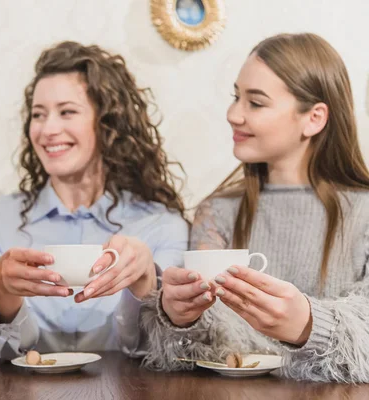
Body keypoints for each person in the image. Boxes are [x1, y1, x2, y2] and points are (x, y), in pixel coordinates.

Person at [143, 33, 369, 383]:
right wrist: (178, 318)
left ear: (314, 118)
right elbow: (200, 352)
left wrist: (308, 325)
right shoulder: (217, 213)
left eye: (256, 103)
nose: (233, 114)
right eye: (236, 97)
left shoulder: (364, 212)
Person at [0, 41, 189, 360]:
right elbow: (8, 350)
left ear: (108, 124)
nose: (48, 129)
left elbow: (165, 351)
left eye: (67, 112)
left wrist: (145, 282)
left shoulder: (162, 226)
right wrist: (2, 291)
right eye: (38, 115)